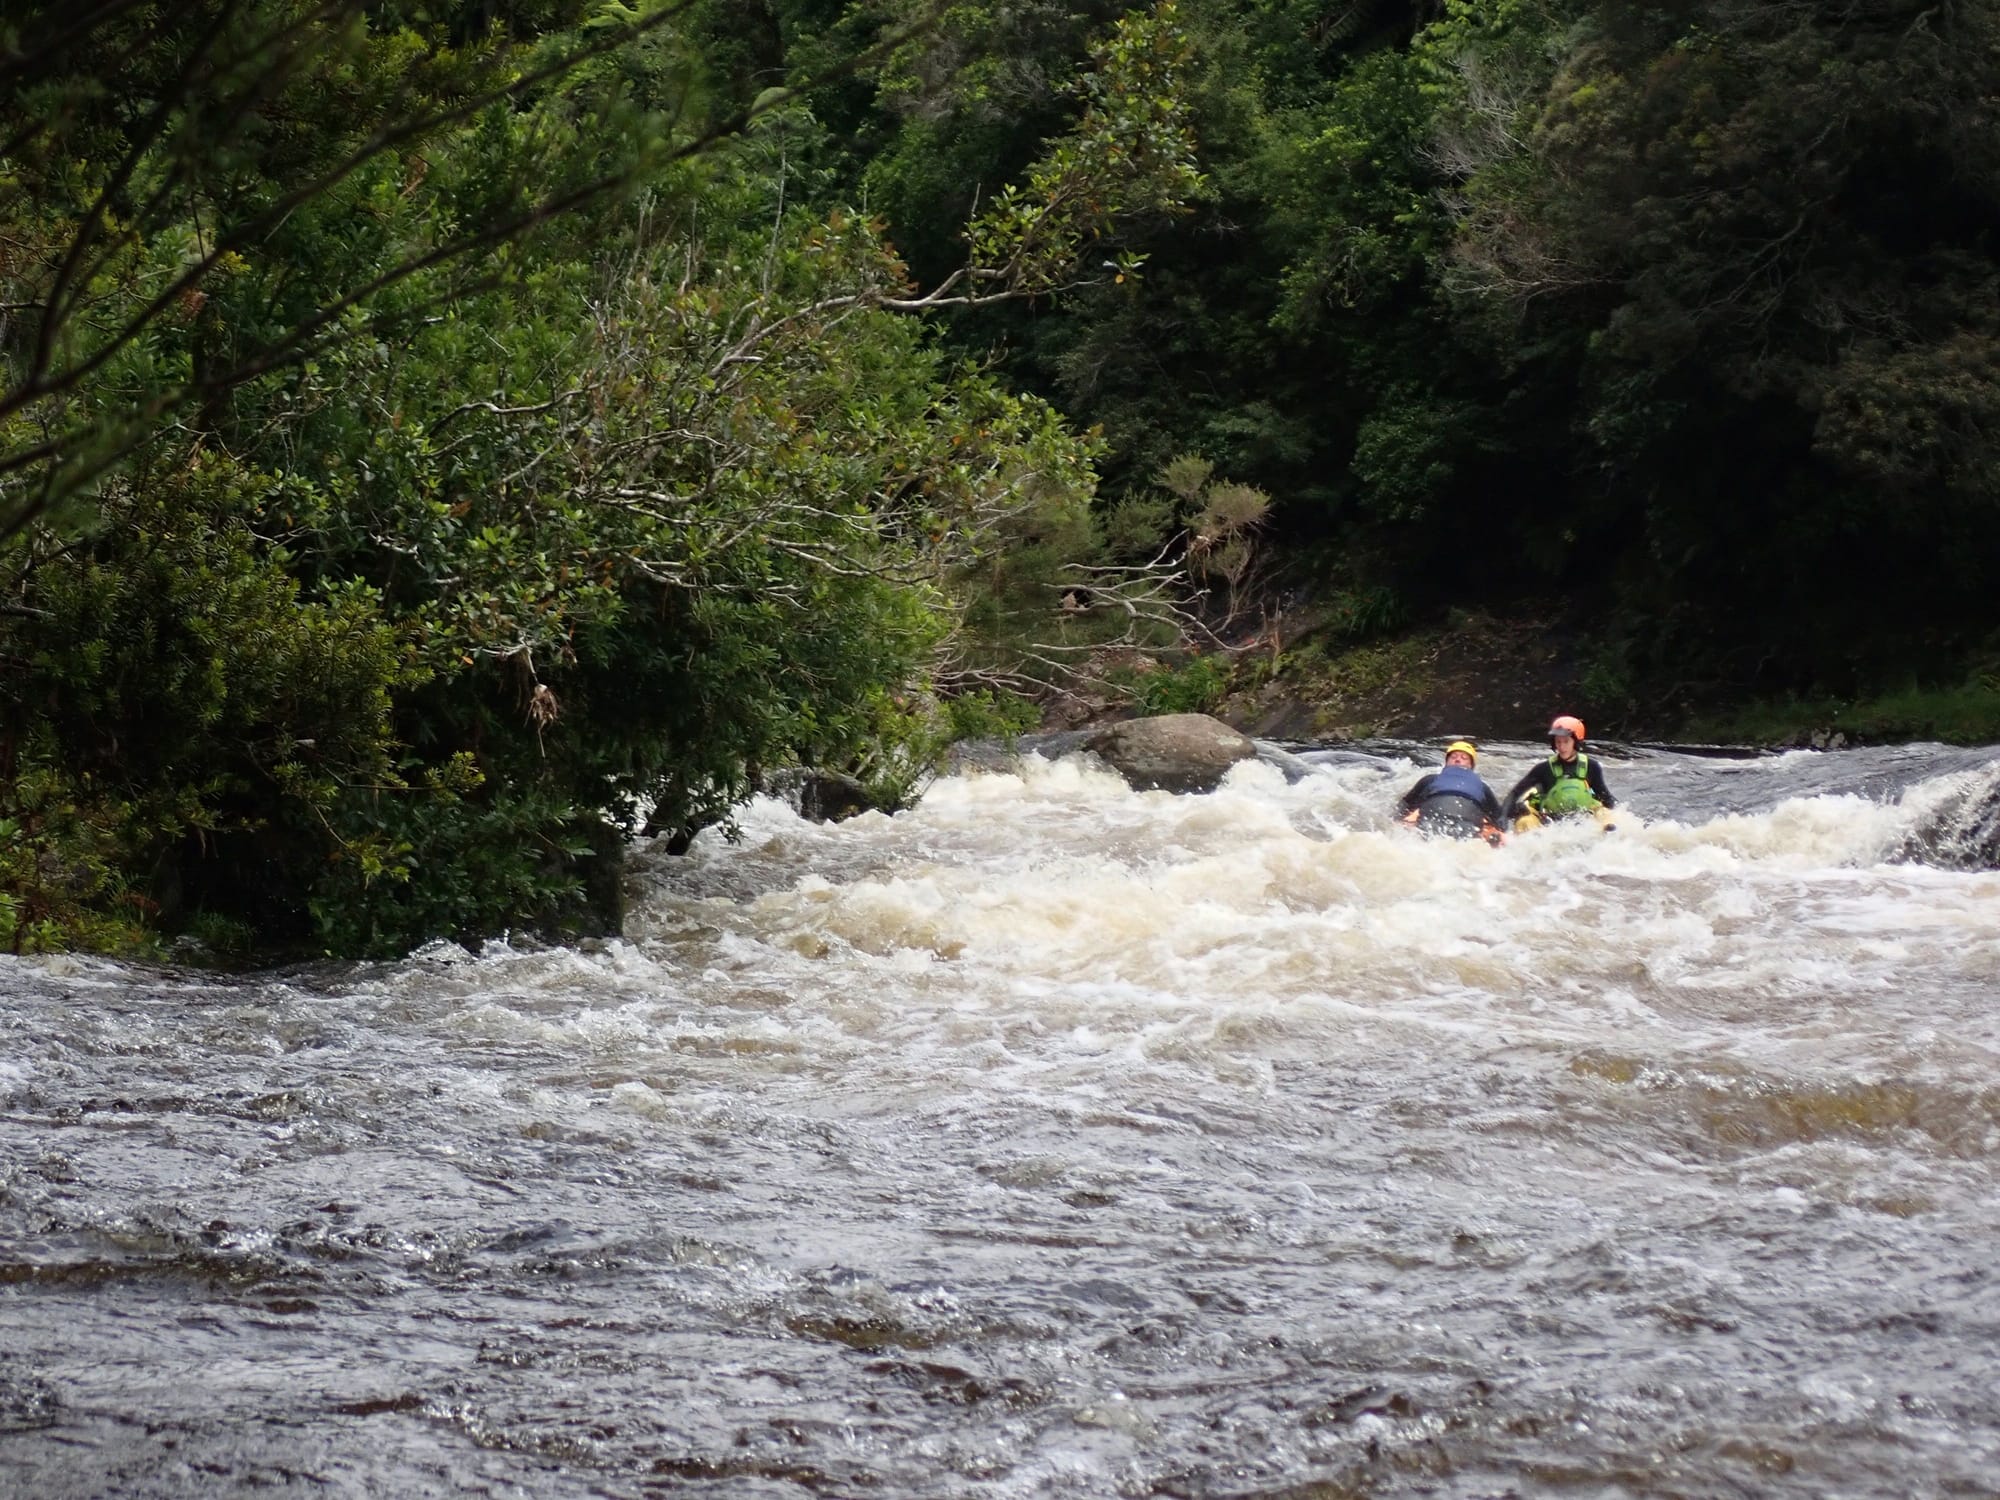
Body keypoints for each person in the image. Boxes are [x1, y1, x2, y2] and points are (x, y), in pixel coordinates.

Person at [1503, 714, 1617, 829]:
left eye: (1566, 741)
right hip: (1550, 821)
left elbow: (1605, 797)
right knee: (1525, 821)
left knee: (1606, 815)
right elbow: (1514, 794)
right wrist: (1503, 817)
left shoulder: (1592, 767)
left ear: (1576, 742)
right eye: (1558, 742)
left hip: (1584, 818)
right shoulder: (1543, 769)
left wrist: (1618, 813)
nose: (1561, 747)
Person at [1399, 739, 1506, 845]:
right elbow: (1498, 816)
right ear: (1446, 763)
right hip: (1468, 821)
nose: (1458, 760)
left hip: (1434, 816)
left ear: (1471, 765)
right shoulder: (1482, 786)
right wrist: (1500, 830)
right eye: (1453, 757)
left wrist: (1398, 820)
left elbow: (1405, 805)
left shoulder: (1431, 780)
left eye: (1464, 758)